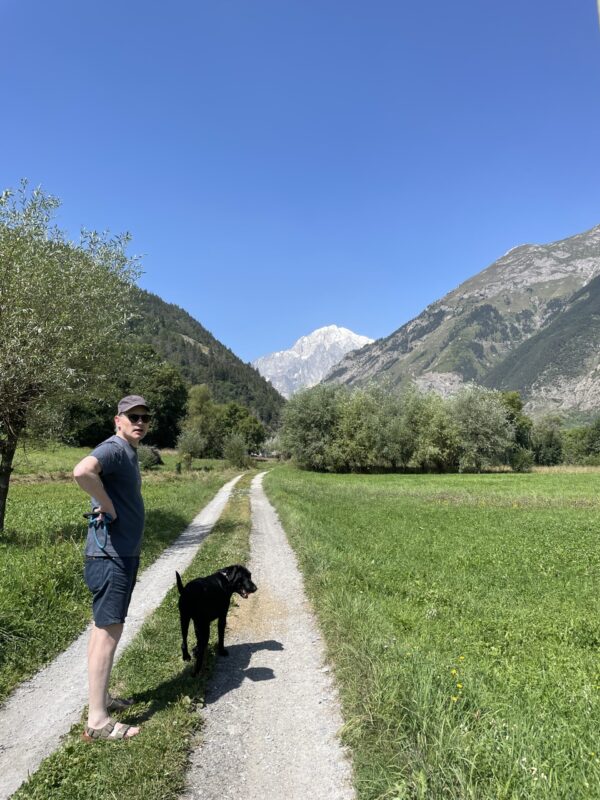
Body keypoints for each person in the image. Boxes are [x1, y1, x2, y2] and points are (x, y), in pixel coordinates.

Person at [73, 395, 152, 741]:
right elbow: (82, 471)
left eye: (144, 418)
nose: (139, 422)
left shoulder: (127, 452)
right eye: (132, 416)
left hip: (116, 554)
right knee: (108, 633)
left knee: (102, 629)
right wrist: (107, 505)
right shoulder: (115, 448)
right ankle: (98, 721)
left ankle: (101, 699)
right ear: (117, 420)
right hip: (111, 557)